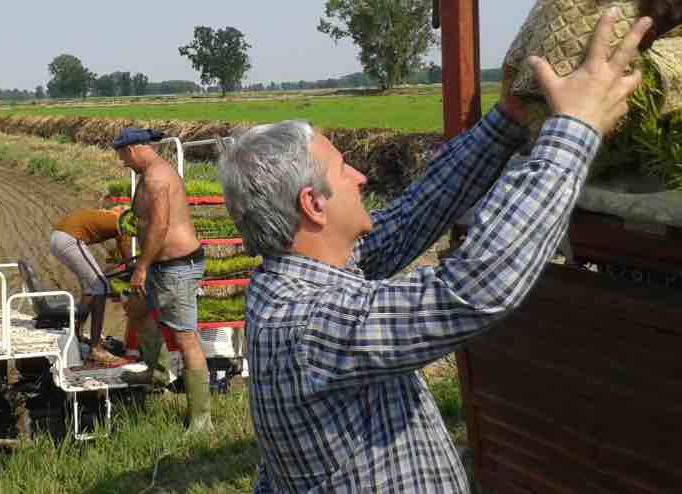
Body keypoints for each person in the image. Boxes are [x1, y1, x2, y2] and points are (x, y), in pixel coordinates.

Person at [216, 10, 650, 493]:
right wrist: (573, 130)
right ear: (313, 205)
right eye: (344, 170)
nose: (360, 176)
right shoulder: (304, 326)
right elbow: (467, 291)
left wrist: (507, 120)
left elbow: (411, 217)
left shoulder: (297, 277)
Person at [113, 127, 213, 432]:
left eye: (122, 156)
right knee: (137, 310)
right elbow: (145, 220)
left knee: (185, 339)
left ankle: (201, 419)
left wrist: (141, 266)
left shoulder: (157, 178)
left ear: (131, 150)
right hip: (159, 265)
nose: (123, 163)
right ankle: (155, 373)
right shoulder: (148, 175)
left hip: (176, 267)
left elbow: (160, 226)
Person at [50, 205, 131, 365]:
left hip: (58, 238)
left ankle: (77, 334)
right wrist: (133, 271)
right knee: (100, 285)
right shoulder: (118, 221)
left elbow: (119, 251)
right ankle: (96, 348)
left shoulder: (104, 216)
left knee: (90, 289)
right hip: (69, 239)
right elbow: (125, 253)